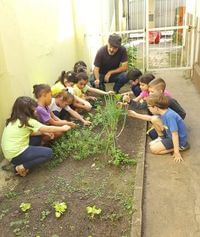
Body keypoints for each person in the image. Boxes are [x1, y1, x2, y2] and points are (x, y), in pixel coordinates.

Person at [1, 96, 71, 177]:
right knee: (48, 153)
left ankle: (21, 161)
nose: (35, 111)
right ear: (27, 111)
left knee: (37, 137)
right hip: (16, 154)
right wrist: (63, 128)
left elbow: (31, 133)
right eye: (33, 109)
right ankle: (21, 167)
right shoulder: (28, 120)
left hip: (11, 153)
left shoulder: (14, 119)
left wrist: (43, 133)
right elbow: (47, 128)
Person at [128, 94, 189, 163]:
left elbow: (175, 134)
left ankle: (180, 147)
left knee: (153, 149)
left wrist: (176, 153)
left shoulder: (170, 116)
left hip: (177, 139)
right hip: (169, 134)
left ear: (156, 107)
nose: (148, 108)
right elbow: (150, 118)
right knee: (154, 119)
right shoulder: (163, 111)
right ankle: (162, 138)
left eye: (149, 106)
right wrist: (135, 115)